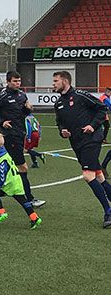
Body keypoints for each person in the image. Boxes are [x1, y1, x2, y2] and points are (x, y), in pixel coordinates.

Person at [52, 71, 111, 228]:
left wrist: (93, 125)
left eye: (56, 81)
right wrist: (62, 130)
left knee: (88, 175)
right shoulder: (58, 103)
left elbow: (102, 108)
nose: (53, 84)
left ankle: (108, 212)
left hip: (92, 140)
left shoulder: (80, 95)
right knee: (98, 176)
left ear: (65, 81)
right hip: (77, 143)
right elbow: (59, 122)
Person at [0, 71, 45, 208]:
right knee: (22, 167)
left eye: (19, 81)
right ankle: (29, 199)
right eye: (14, 81)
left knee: (10, 167)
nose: (17, 83)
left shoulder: (22, 95)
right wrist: (2, 123)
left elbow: (23, 114)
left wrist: (28, 109)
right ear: (8, 82)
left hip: (20, 134)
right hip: (9, 135)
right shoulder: (3, 96)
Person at [0, 134, 42, 229]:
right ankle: (35, 218)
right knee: (23, 201)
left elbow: (2, 174)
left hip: (9, 184)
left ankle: (1, 212)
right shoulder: (5, 154)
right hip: (16, 182)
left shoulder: (2, 159)